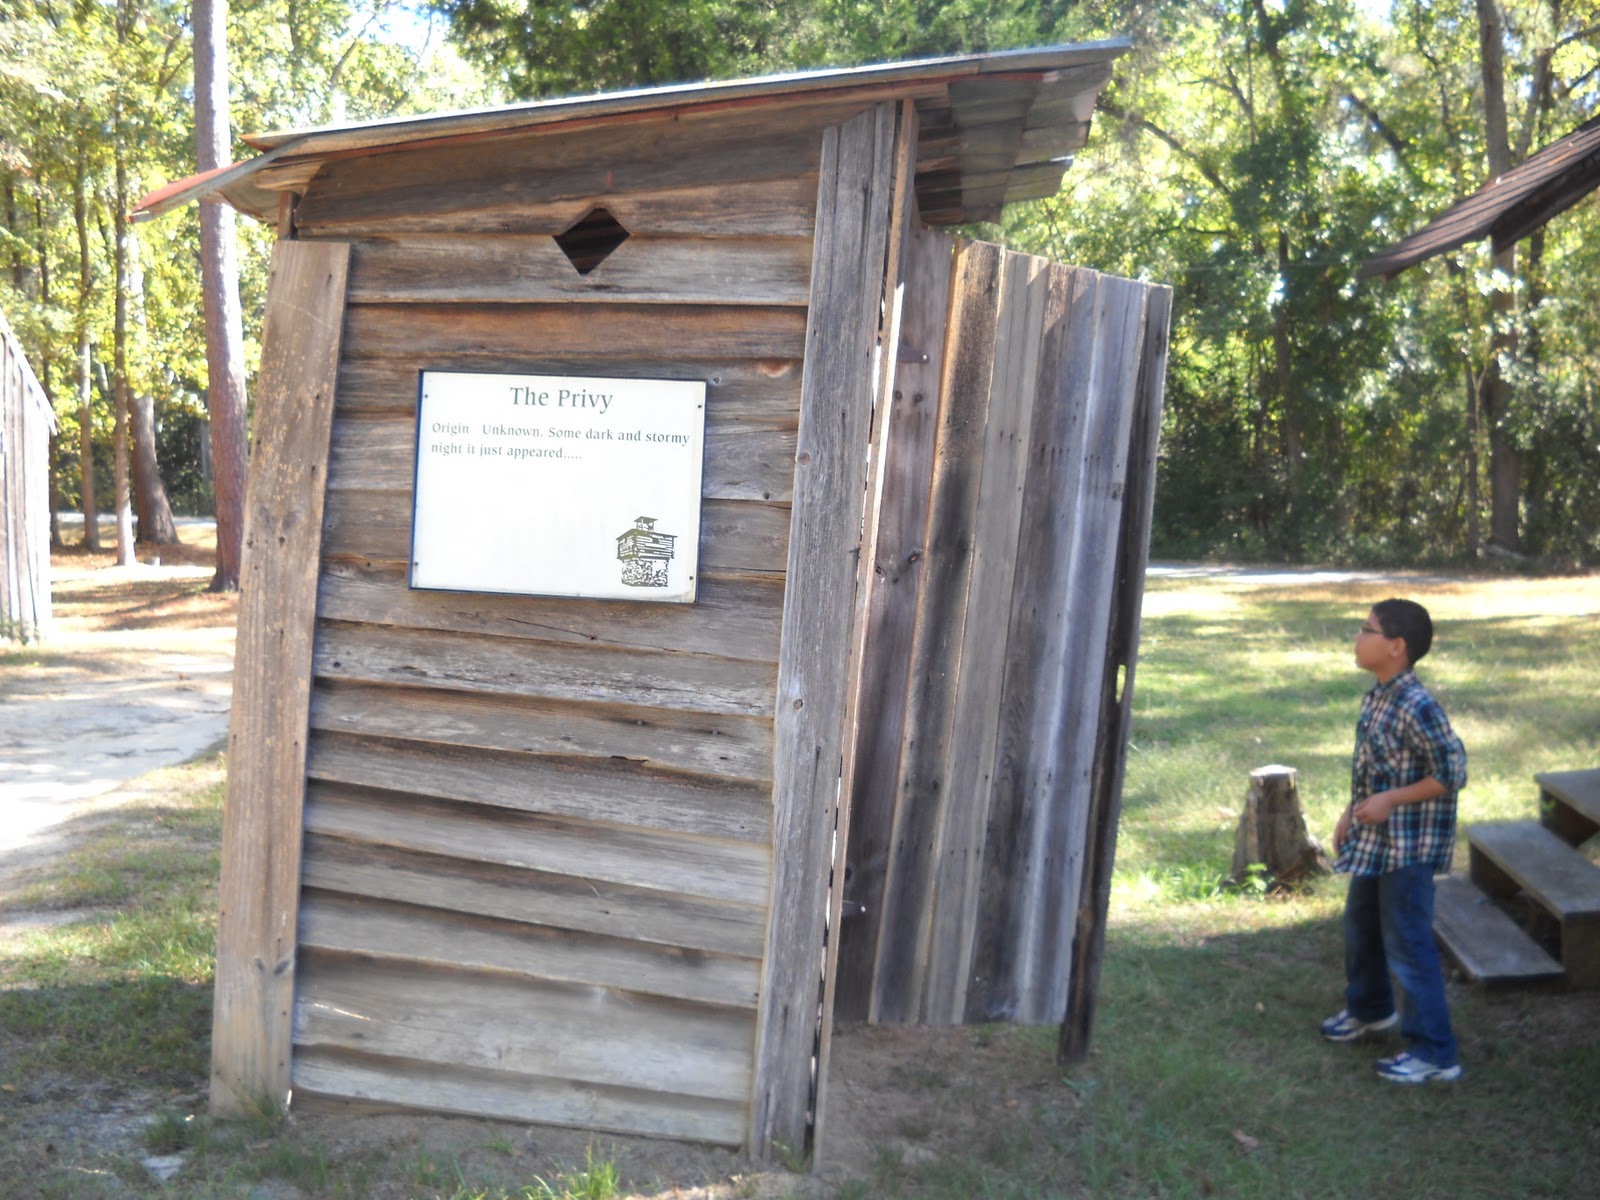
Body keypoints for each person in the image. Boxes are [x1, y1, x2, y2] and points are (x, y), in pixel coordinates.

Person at [1320, 598, 1468, 1084]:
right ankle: (1370, 1008)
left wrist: (1391, 802)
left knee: (1407, 942)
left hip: (1409, 847)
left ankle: (1434, 1054)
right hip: (1375, 842)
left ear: (1396, 647)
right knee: (1361, 924)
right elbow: (1373, 767)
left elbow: (1452, 771)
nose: (1358, 637)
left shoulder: (1417, 705)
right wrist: (1352, 811)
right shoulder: (1379, 695)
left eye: (1367, 629)